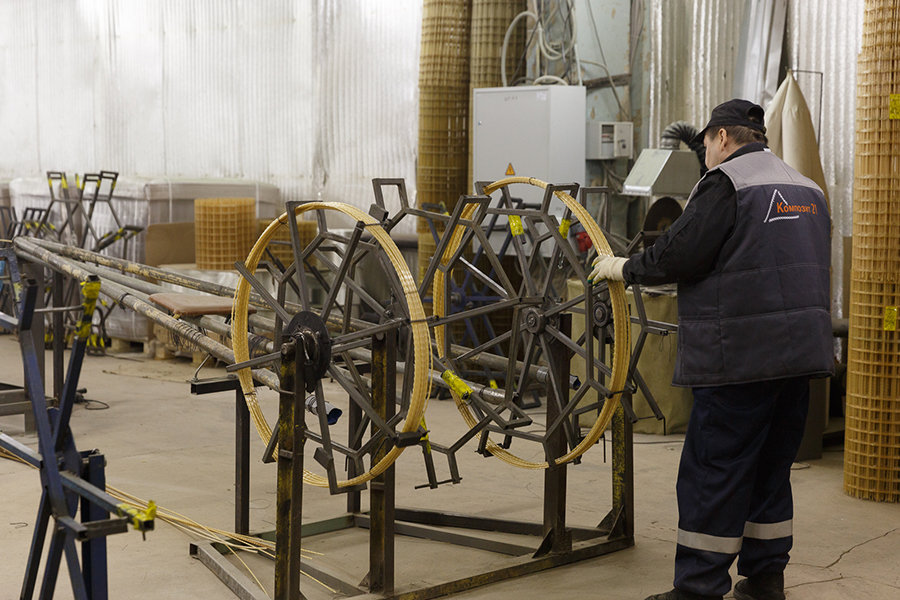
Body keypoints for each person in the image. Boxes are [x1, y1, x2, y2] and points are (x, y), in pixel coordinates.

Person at [589, 99, 834, 600]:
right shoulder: (807, 188)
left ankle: (698, 589)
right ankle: (766, 581)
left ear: (723, 138)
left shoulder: (727, 184)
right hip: (800, 361)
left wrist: (624, 268)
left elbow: (681, 252)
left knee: (713, 474)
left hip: (738, 361)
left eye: (705, 144)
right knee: (770, 469)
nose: (704, 153)